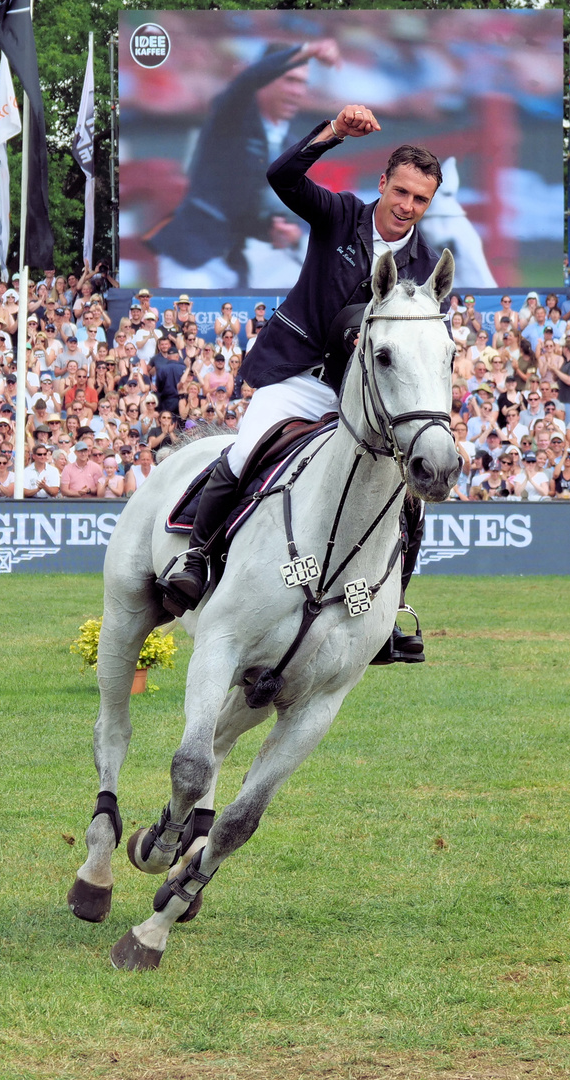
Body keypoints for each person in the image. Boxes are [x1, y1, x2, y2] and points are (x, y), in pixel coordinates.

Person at [160, 106, 444, 666]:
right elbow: (281, 178)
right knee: (242, 454)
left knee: (406, 502)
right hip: (299, 377)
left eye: (421, 199)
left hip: (365, 404)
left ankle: (387, 612)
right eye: (402, 191)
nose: (407, 206)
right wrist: (334, 133)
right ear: (383, 183)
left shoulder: (426, 263)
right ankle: (196, 561)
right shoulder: (340, 216)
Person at [147, 40, 341, 288]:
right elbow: (246, 80)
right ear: (265, 79)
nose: (297, 91)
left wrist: (283, 230)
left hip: (234, 264)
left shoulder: (292, 145)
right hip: (191, 257)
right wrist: (307, 50)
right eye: (289, 80)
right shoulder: (232, 115)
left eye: (302, 83)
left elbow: (263, 209)